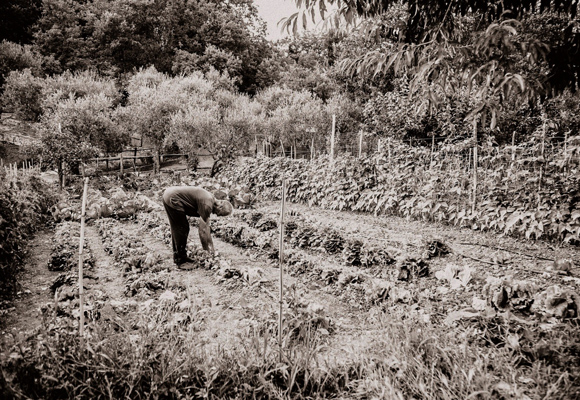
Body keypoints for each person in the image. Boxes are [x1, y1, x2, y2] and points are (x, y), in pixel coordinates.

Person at [162, 186, 232, 267]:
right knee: (182, 228)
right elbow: (202, 232)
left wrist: (212, 249)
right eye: (219, 214)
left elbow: (207, 229)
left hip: (170, 195)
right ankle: (181, 261)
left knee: (179, 227)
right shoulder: (207, 205)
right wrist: (207, 253)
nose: (216, 215)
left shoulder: (210, 200)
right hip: (173, 198)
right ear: (220, 206)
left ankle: (179, 256)